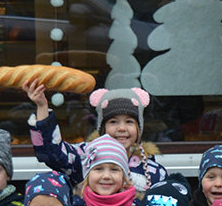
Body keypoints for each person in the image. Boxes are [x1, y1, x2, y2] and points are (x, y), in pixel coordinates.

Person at [26, 83, 167, 194]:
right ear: (102, 128)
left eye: (129, 122)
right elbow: (51, 153)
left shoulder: (154, 172)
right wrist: (42, 105)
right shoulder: (85, 156)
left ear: (138, 128)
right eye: (113, 122)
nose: (121, 128)